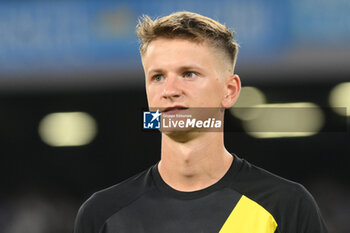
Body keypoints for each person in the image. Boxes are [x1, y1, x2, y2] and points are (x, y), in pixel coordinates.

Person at [73, 11, 328, 233]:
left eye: (189, 74)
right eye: (158, 77)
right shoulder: (102, 214)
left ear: (229, 90)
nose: (170, 90)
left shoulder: (285, 206)